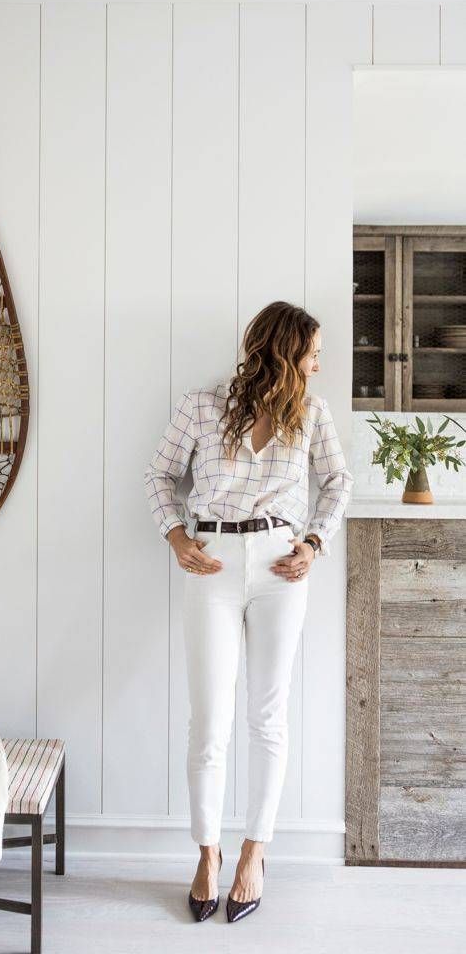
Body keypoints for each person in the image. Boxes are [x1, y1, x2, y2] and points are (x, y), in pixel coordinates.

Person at [143, 301, 353, 924]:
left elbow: (339, 484)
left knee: (267, 716)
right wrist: (177, 537)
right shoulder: (201, 407)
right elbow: (158, 476)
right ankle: (207, 853)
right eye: (313, 352)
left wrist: (314, 543)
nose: (320, 364)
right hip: (210, 561)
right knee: (209, 721)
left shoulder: (312, 414)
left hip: (280, 568)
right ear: (286, 353)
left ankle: (254, 853)